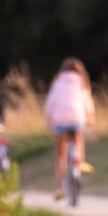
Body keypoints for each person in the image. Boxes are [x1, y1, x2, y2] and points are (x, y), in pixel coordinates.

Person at [44, 57, 96, 200]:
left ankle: (60, 188)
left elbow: (50, 103)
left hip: (59, 121)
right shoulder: (82, 82)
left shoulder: (57, 81)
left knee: (61, 156)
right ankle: (80, 161)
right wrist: (90, 117)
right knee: (78, 138)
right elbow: (87, 101)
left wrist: (48, 120)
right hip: (77, 119)